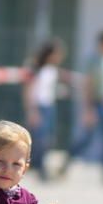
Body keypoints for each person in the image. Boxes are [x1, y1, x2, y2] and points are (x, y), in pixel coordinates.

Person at [59, 29, 103, 184]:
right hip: (96, 103)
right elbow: (88, 86)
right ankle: (67, 162)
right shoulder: (93, 61)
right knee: (87, 138)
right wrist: (88, 109)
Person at [23, 39, 66, 180]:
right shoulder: (35, 68)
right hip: (38, 106)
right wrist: (32, 110)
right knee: (39, 139)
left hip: (49, 107)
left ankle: (38, 165)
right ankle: (40, 168)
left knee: (48, 139)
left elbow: (48, 89)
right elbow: (29, 90)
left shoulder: (52, 70)